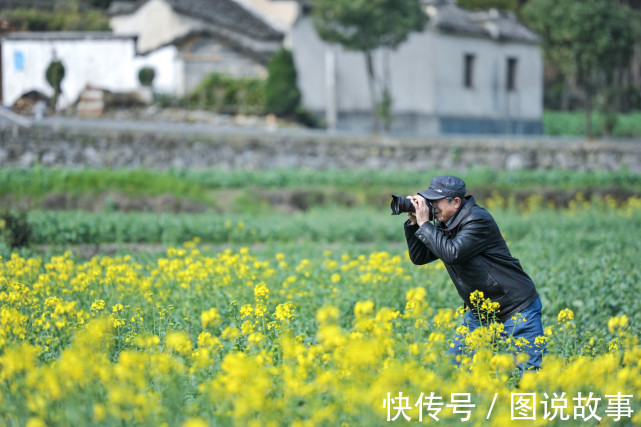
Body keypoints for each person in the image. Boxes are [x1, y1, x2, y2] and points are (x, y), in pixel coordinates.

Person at [403, 175, 545, 371]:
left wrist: (425, 225)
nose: (432, 205)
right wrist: (414, 224)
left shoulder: (477, 219)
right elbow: (420, 257)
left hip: (515, 308)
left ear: (456, 202)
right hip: (481, 312)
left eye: (436, 201)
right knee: (454, 368)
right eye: (430, 200)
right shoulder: (447, 222)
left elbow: (452, 253)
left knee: (531, 375)